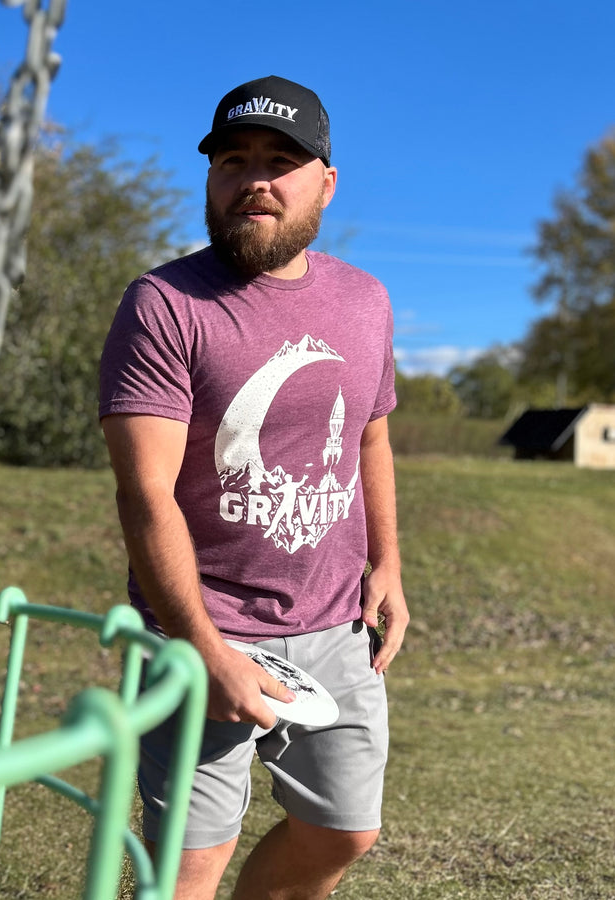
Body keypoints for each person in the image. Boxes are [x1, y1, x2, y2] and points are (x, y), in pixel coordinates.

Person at [98, 74, 409, 900]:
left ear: (326, 183)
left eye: (281, 160)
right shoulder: (165, 305)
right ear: (211, 178)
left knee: (346, 829)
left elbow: (372, 431)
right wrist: (204, 652)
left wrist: (389, 565)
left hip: (336, 626)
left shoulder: (366, 302)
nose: (255, 178)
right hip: (204, 627)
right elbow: (145, 495)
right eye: (233, 160)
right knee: (185, 870)